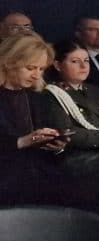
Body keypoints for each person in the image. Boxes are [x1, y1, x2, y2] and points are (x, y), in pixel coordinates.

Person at [40, 40, 99, 214]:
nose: (83, 66)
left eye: (86, 60)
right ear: (58, 65)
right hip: (79, 158)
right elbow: (68, 134)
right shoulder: (52, 94)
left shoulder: (96, 92)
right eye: (75, 61)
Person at [0, 33, 73, 206]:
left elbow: (51, 157)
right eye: (30, 68)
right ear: (9, 63)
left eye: (41, 69)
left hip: (39, 177)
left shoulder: (37, 97)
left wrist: (57, 147)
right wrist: (22, 141)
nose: (36, 75)